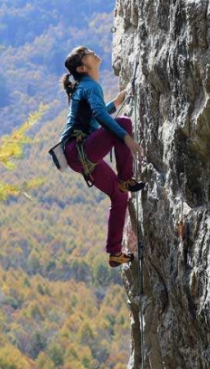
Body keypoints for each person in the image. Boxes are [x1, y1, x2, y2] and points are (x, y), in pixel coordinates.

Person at [58, 46, 146, 268]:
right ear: (82, 67)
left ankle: (115, 253)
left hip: (76, 154)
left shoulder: (83, 86)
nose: (92, 52)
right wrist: (126, 138)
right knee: (124, 123)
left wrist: (116, 102)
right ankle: (126, 178)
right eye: (87, 53)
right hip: (82, 149)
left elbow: (94, 118)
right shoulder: (90, 86)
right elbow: (99, 116)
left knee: (119, 197)